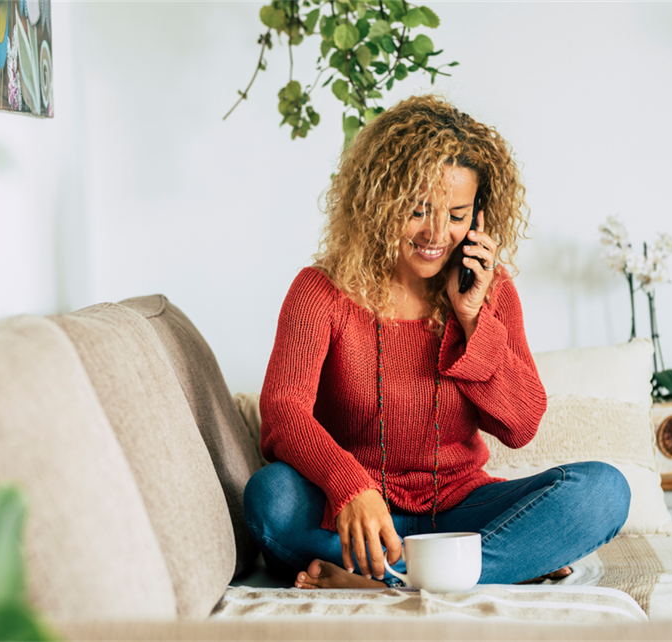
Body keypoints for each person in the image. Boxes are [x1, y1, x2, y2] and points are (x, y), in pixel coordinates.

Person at [243, 95, 630, 590]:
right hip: (360, 519)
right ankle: (491, 569)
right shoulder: (321, 290)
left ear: (479, 218)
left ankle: (390, 584)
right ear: (380, 203)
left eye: (456, 214)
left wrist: (471, 317)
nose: (436, 233)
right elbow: (282, 414)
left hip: (462, 513)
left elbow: (522, 423)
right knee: (268, 497)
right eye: (418, 210)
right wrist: (350, 486)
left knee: (603, 491)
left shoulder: (492, 290)